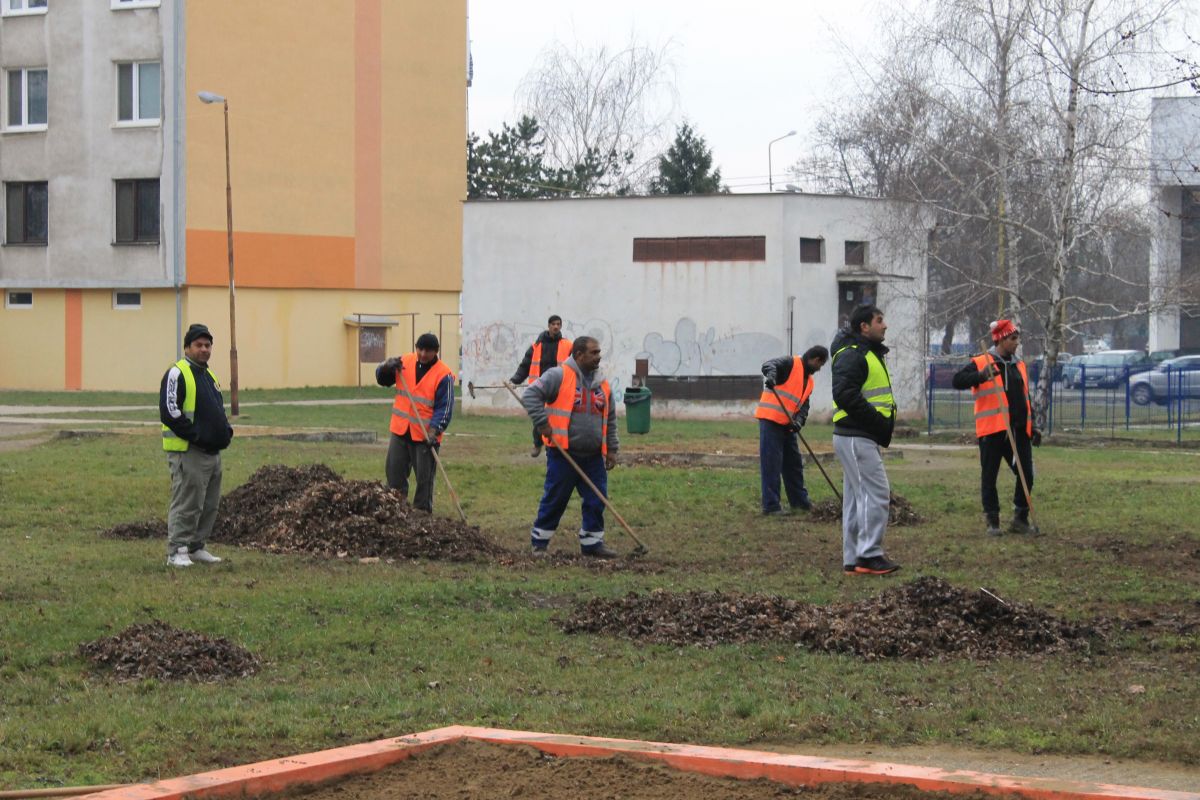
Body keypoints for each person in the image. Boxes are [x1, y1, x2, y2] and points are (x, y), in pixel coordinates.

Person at [521, 336, 620, 558]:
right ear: (579, 355)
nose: (598, 357)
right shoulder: (558, 375)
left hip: (593, 457)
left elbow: (611, 418)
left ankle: (592, 544)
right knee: (555, 500)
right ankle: (539, 543)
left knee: (597, 500)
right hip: (563, 454)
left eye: (599, 352)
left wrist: (612, 449)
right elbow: (530, 395)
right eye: (594, 352)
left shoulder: (603, 384)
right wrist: (542, 423)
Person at [951, 319, 1041, 536]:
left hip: (1018, 430)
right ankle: (993, 521)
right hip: (992, 430)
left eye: (1017, 338)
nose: (1017, 342)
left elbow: (1025, 398)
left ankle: (1020, 518)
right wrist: (981, 376)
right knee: (989, 476)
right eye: (1013, 338)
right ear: (1000, 339)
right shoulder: (982, 361)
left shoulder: (1019, 365)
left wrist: (1033, 427)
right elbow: (957, 380)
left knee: (1027, 473)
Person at [830, 304, 900, 576]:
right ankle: (869, 555)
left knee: (856, 498)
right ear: (864, 326)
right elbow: (844, 394)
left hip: (857, 436)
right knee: (876, 494)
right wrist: (876, 421)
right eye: (879, 320)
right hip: (857, 435)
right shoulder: (854, 354)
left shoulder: (867, 353)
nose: (885, 325)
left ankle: (853, 558)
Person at [159, 323, 233, 567]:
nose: (204, 349)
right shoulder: (177, 373)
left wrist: (225, 431)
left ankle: (196, 546)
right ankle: (177, 550)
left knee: (209, 504)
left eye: (207, 345)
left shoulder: (209, 375)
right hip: (189, 451)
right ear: (187, 347)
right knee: (187, 502)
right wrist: (197, 437)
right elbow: (170, 412)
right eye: (198, 345)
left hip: (212, 452)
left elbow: (216, 409)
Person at [376, 332, 455, 512]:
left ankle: (422, 514)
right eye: (420, 349)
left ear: (436, 352)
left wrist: (434, 431)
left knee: (424, 481)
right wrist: (385, 367)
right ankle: (396, 509)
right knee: (394, 474)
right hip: (400, 431)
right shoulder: (403, 363)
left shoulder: (444, 375)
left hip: (425, 437)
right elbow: (382, 379)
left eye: (428, 351)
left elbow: (445, 408)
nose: (423, 354)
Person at [756, 345, 830, 515]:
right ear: (815, 359)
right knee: (772, 464)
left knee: (794, 465)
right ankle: (771, 506)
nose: (819, 369)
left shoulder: (809, 382)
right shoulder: (790, 363)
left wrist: (799, 422)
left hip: (787, 426)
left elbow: (804, 406)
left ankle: (799, 502)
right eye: (820, 365)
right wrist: (772, 376)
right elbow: (768, 365)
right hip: (771, 420)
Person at [510, 315, 572, 457]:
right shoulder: (536, 346)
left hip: (560, 387)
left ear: (561, 326)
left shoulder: (568, 345)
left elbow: (576, 364)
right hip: (540, 388)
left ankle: (555, 445)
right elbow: (525, 366)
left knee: (558, 418)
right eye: (553, 324)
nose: (556, 326)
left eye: (558, 324)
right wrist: (515, 380)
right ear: (548, 326)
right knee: (539, 417)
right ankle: (538, 444)